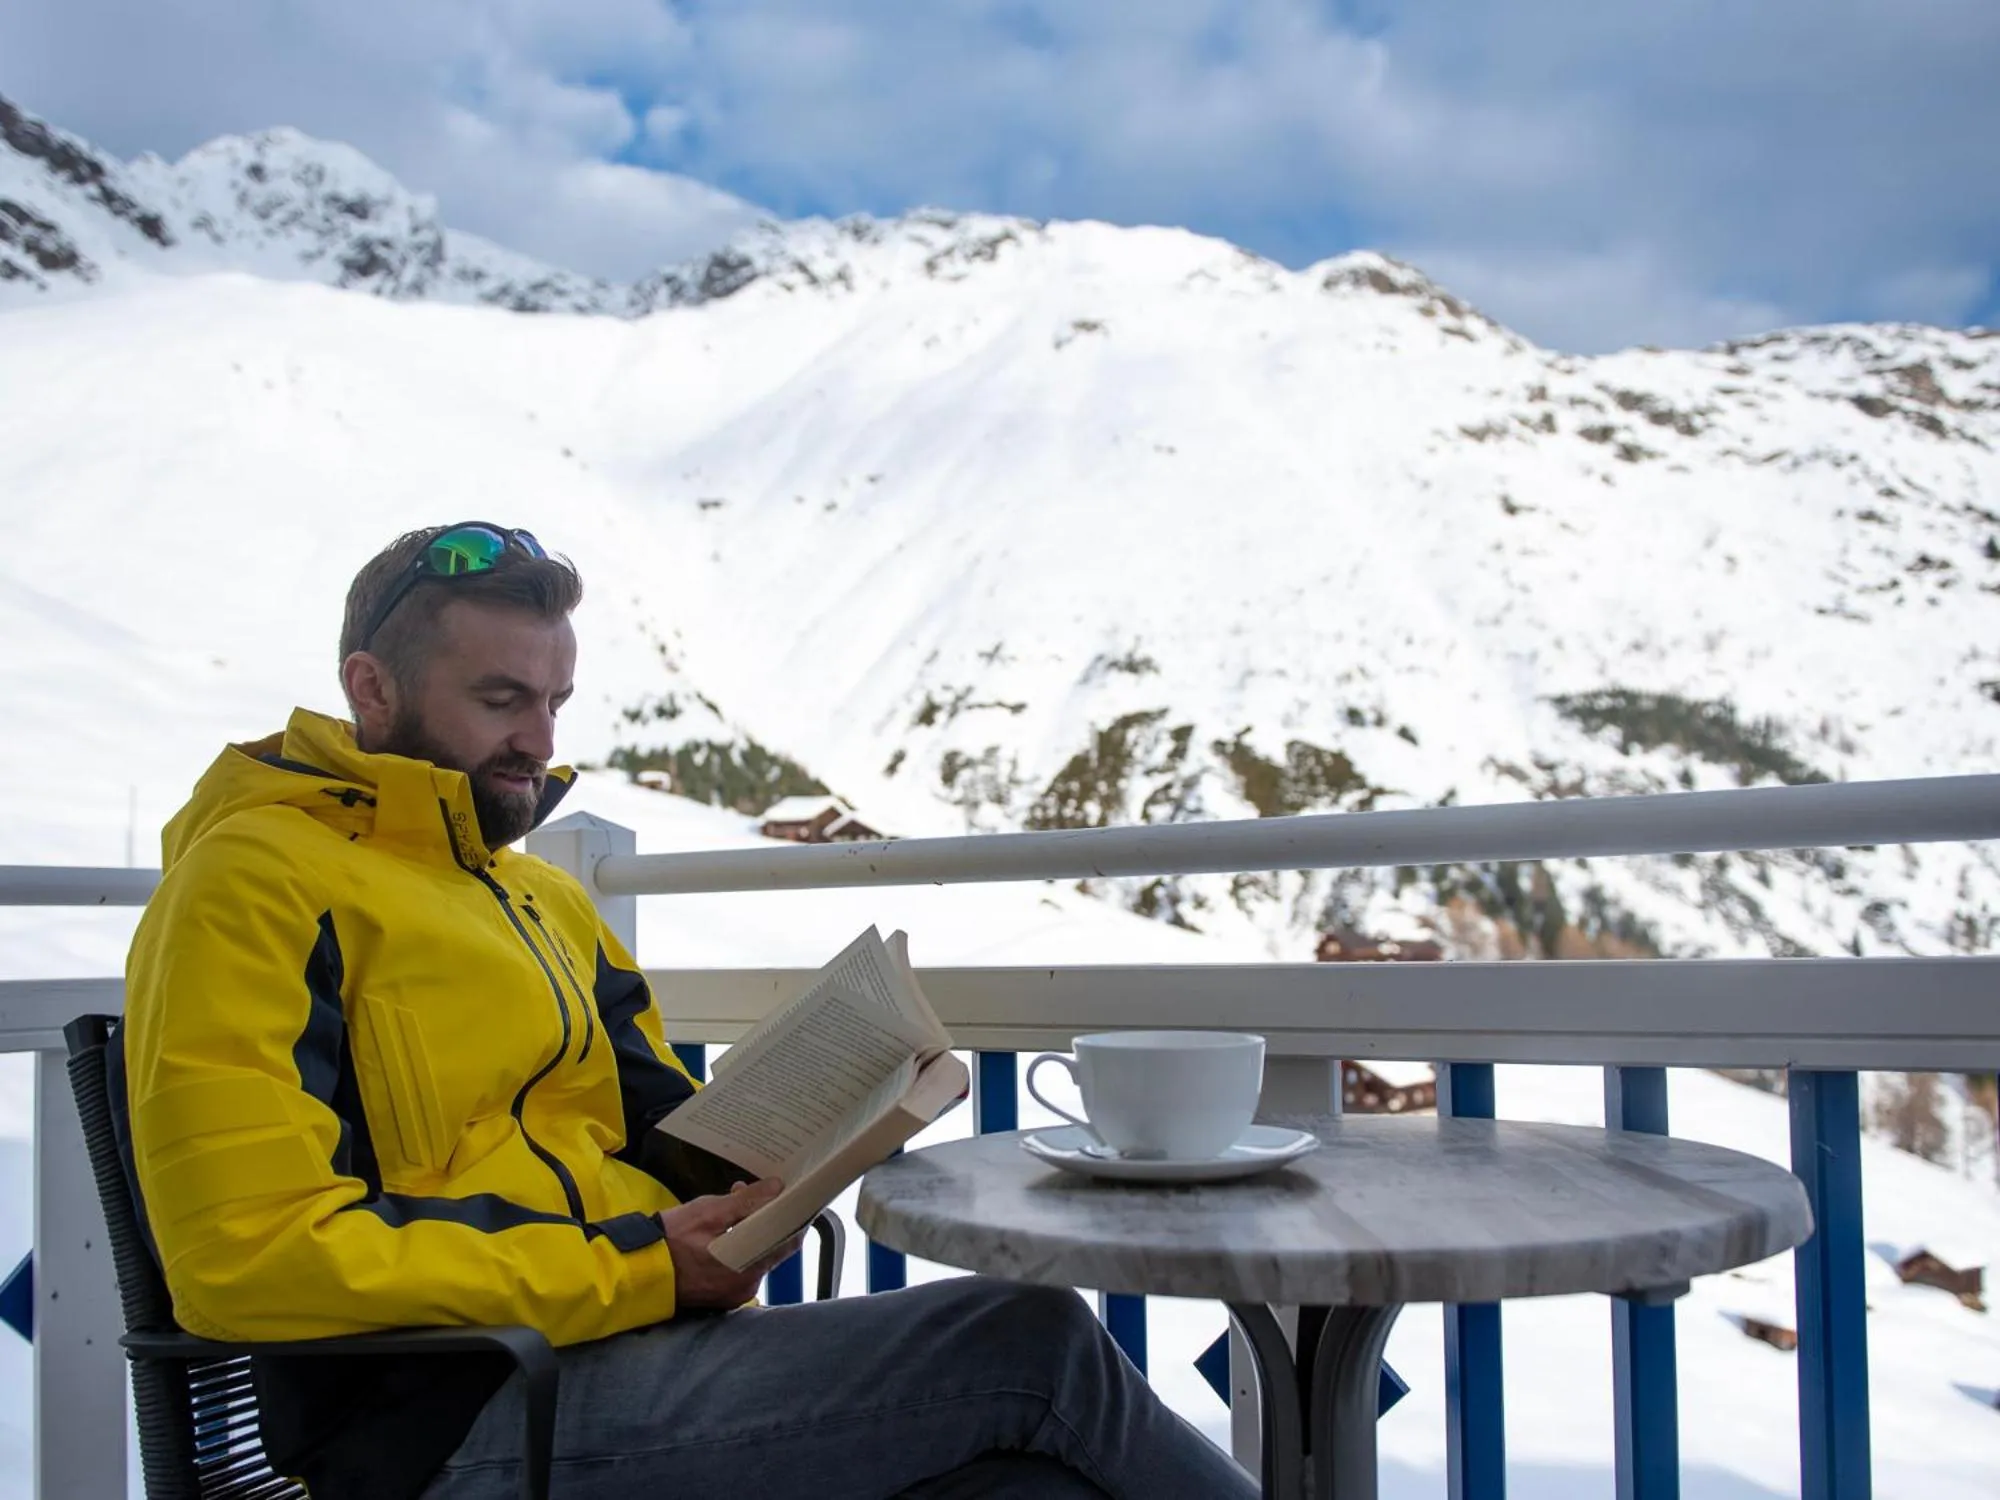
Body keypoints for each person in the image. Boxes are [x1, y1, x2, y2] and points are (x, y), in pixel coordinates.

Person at [121, 522, 1258, 1500]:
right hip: (454, 1415)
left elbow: (658, 1140)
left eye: (555, 703)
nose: (539, 743)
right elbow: (244, 1253)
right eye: (500, 700)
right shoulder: (256, 884)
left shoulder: (542, 900)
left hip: (625, 1347)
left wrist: (814, 1127)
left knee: (1025, 1483)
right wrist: (643, 1268)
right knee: (1028, 1341)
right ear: (373, 689)